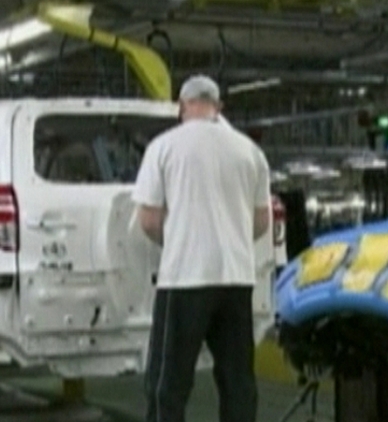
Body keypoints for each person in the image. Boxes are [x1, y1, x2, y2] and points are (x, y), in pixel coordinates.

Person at [133, 74, 271, 422]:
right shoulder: (250, 151)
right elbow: (261, 221)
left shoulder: (163, 147)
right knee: (238, 383)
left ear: (181, 107)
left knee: (168, 385)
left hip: (184, 280)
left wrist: (181, 237)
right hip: (237, 281)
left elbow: (148, 220)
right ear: (218, 107)